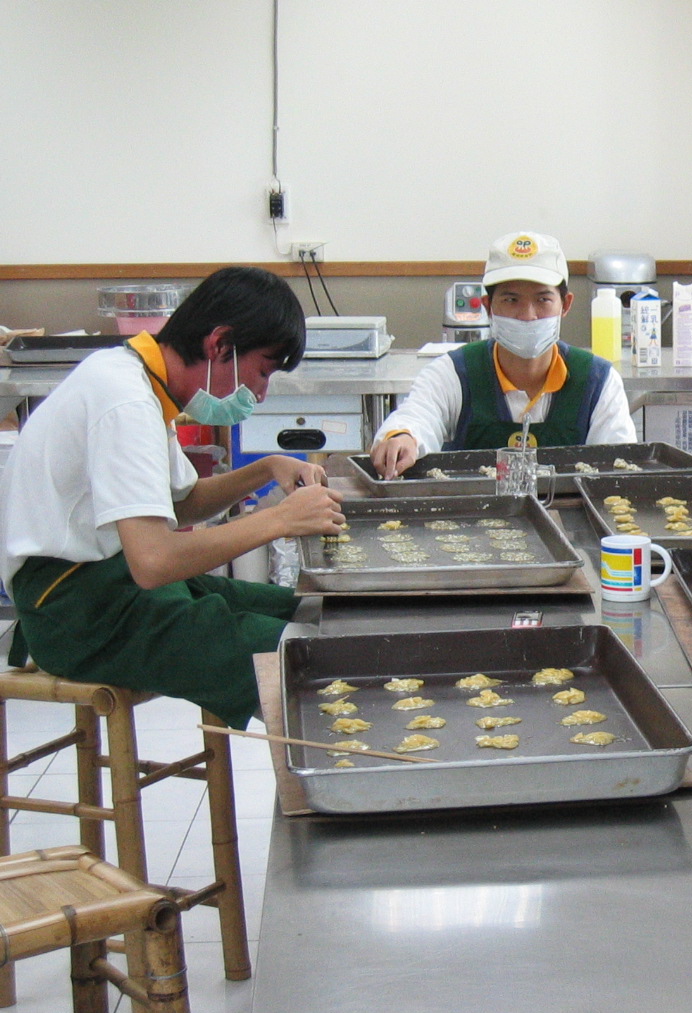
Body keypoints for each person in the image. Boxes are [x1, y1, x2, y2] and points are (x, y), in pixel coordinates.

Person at [0, 266, 345, 729]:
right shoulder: (124, 400)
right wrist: (280, 520)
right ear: (219, 344)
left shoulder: (136, 379)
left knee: (307, 611)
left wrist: (265, 469)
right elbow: (155, 561)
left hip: (113, 584)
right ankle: (338, 756)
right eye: (262, 372)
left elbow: (179, 504)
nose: (261, 394)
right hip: (75, 613)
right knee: (297, 652)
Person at [370, 231, 635, 476]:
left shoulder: (598, 381)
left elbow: (619, 466)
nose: (528, 315)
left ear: (565, 305)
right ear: (488, 306)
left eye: (543, 300)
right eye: (511, 300)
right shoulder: (454, 372)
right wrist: (402, 437)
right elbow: (417, 415)